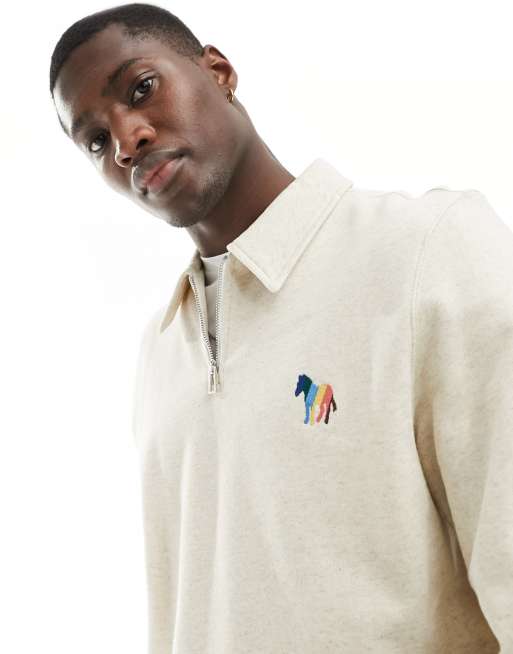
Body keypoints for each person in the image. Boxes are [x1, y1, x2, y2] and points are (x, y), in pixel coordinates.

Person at [49, 3, 513, 653]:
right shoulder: (159, 353)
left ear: (219, 72)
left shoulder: (426, 252)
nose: (127, 141)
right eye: (97, 141)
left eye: (141, 88)